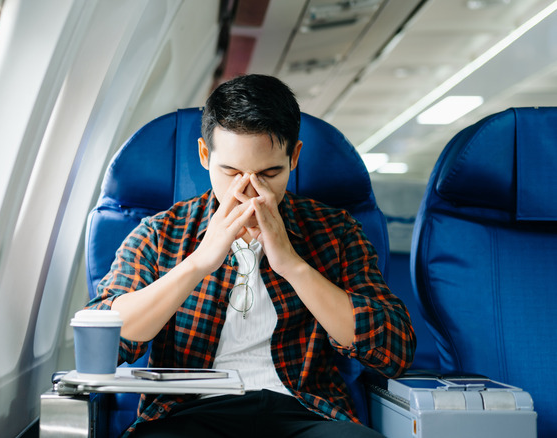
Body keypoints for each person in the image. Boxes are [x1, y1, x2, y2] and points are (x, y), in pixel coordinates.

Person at [86, 74, 415, 437]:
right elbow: (103, 343)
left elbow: (394, 350)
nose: (248, 190)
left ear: (295, 158)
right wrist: (199, 263)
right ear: (204, 155)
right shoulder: (160, 234)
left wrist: (291, 264)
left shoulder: (336, 231)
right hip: (189, 413)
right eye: (230, 172)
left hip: (304, 411)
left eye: (269, 173)